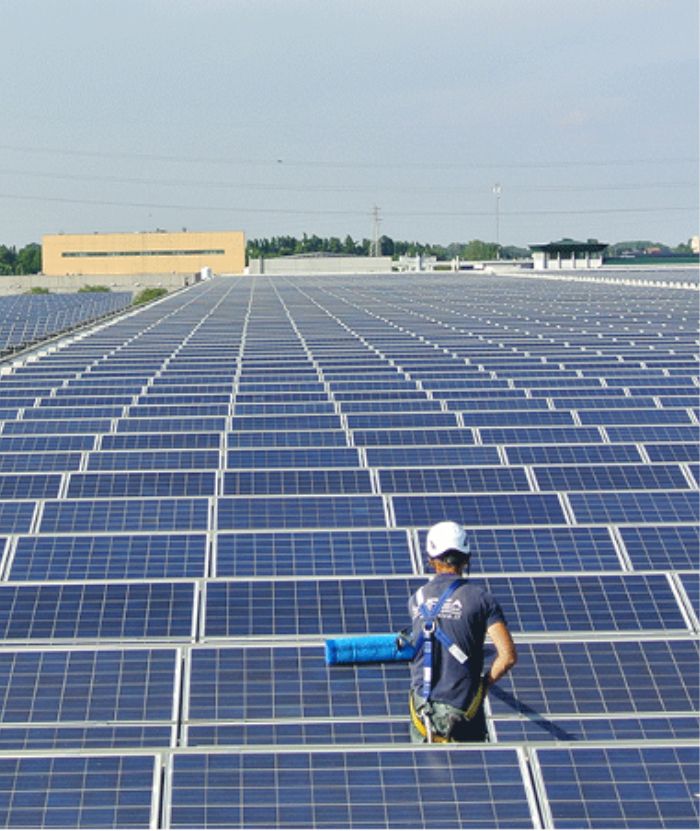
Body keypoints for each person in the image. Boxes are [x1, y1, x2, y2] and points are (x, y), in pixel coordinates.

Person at [406, 520, 517, 743]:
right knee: (469, 774)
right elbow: (507, 657)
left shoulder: (416, 599)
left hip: (421, 714)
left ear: (430, 560)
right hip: (463, 713)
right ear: (466, 559)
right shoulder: (481, 599)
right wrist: (483, 685)